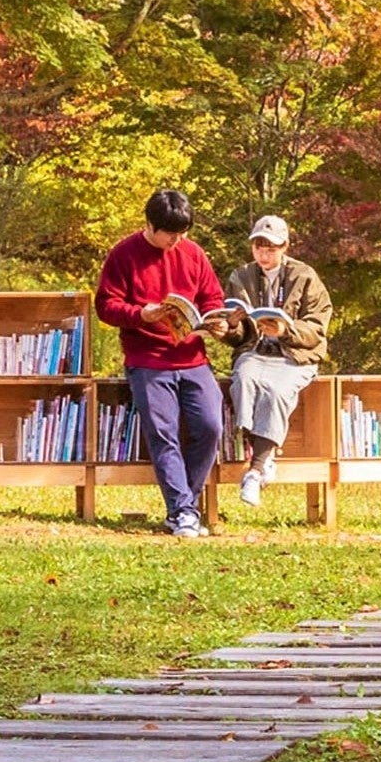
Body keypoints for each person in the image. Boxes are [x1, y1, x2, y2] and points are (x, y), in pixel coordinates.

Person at [95, 188, 229, 538]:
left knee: (211, 424)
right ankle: (183, 511)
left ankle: (184, 507)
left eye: (183, 233)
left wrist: (218, 322)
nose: (176, 240)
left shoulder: (194, 254)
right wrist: (142, 314)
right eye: (170, 233)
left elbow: (212, 297)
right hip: (148, 359)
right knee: (162, 432)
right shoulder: (123, 254)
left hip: (192, 356)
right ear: (150, 225)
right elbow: (106, 306)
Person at [223, 213, 333, 507]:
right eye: (258, 247)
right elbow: (237, 338)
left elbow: (318, 327)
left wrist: (287, 330)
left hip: (294, 354)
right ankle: (263, 454)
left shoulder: (305, 276)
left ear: (284, 246)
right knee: (244, 379)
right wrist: (230, 326)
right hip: (256, 351)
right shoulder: (240, 276)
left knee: (276, 390)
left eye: (271, 248)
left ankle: (256, 470)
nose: (264, 253)